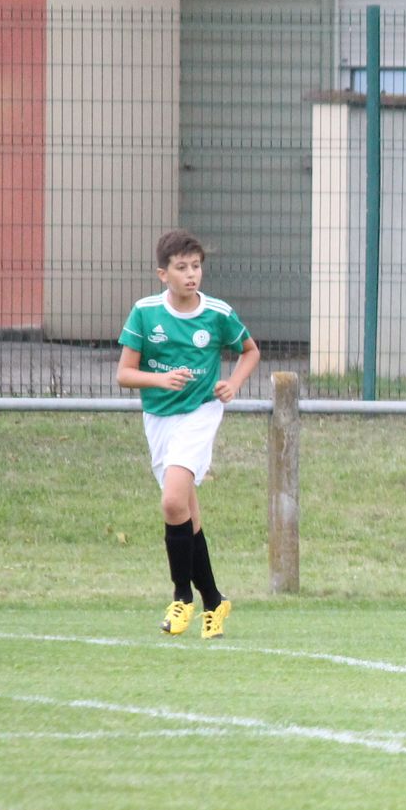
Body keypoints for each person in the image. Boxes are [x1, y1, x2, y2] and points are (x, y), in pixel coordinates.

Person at [116, 229, 260, 640]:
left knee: (172, 501)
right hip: (159, 419)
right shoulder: (145, 313)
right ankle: (214, 600)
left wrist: (233, 384)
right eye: (181, 268)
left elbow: (250, 351)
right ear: (163, 274)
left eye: (196, 266)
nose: (191, 274)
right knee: (186, 515)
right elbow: (124, 373)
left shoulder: (217, 313)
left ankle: (182, 597)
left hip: (200, 413)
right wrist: (159, 380)